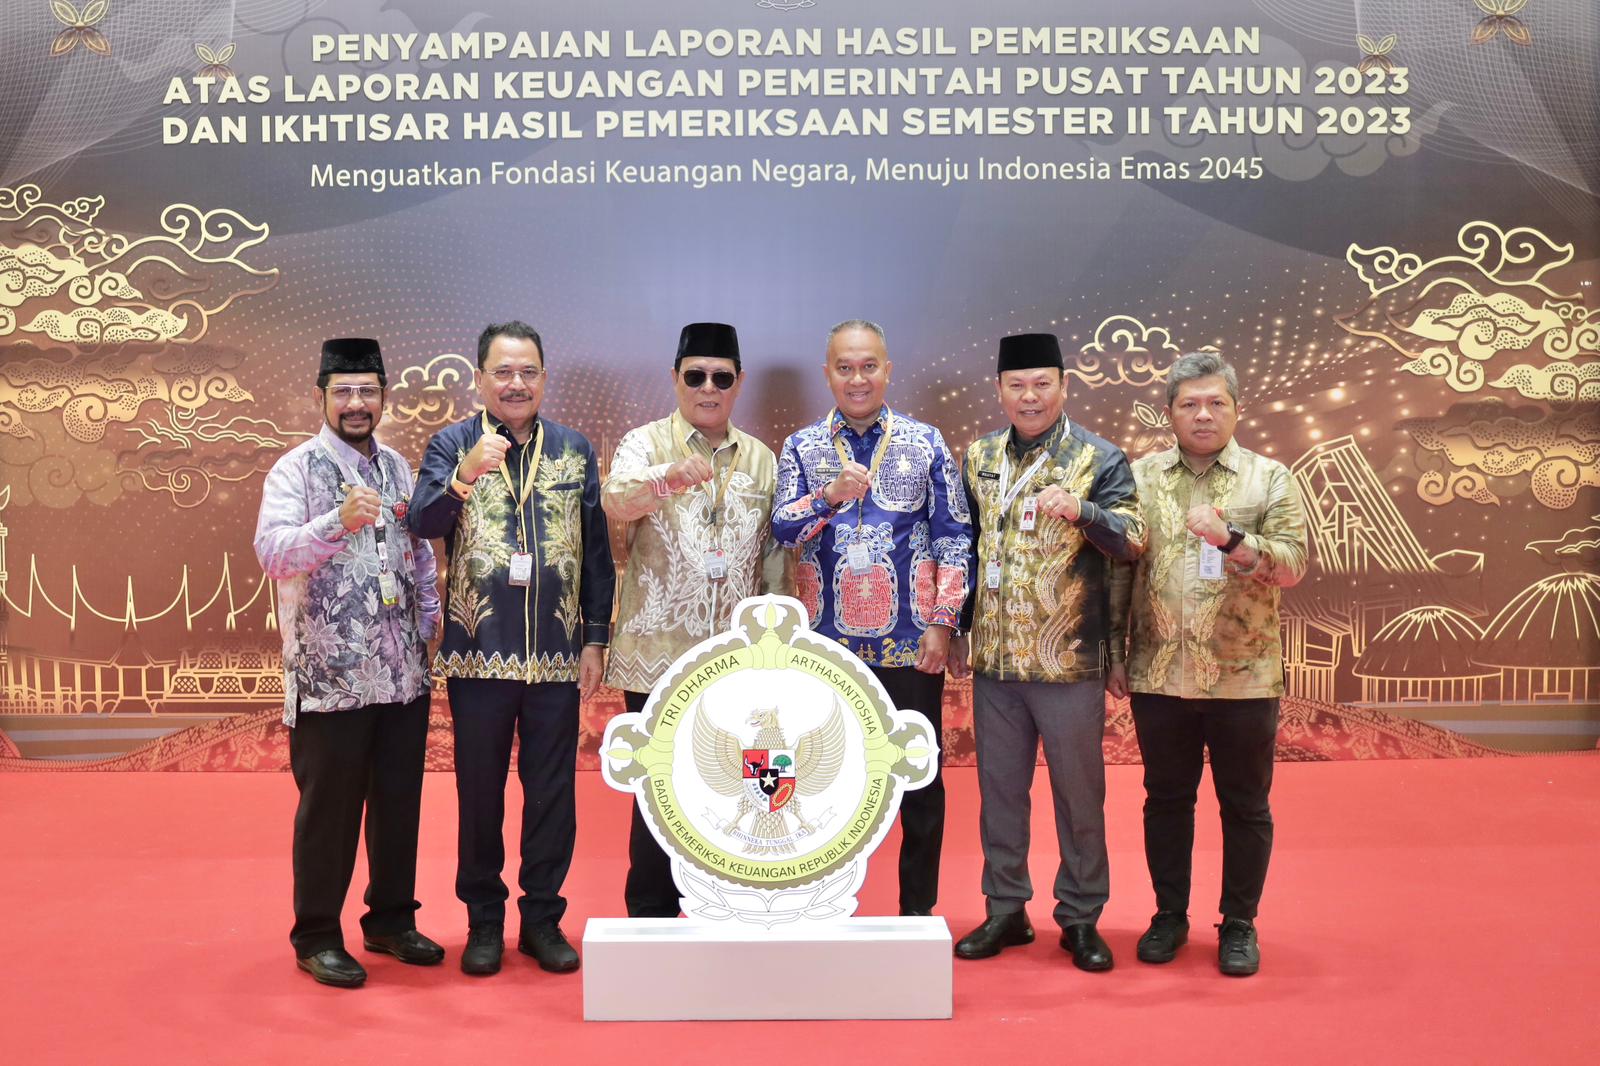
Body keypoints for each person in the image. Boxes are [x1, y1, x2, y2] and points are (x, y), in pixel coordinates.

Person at [408, 322, 615, 976]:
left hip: (556, 653)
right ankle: (484, 921)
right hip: (479, 651)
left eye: (528, 372)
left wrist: (596, 637)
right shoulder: (452, 444)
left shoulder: (574, 450)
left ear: (544, 379)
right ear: (480, 379)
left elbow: (597, 552)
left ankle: (543, 920)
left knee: (553, 792)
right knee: (480, 793)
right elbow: (421, 522)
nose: (516, 384)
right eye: (503, 372)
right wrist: (463, 476)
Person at [949, 332, 1146, 971]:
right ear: (999, 390)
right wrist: (957, 627)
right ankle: (1006, 908)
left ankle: (1081, 916)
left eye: (1041, 384)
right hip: (996, 661)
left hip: (1069, 662)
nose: (1029, 397)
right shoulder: (980, 456)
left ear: (1064, 386)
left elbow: (1133, 540)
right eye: (1017, 385)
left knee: (1079, 796)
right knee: (1000, 792)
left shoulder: (1099, 458)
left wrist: (1084, 510)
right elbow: (965, 547)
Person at [1107, 351, 1308, 977]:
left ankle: (1239, 923)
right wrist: (1114, 650)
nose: (1203, 414)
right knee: (1166, 799)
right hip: (1159, 671)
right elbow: (1120, 569)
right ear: (1169, 412)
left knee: (1245, 804)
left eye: (1216, 403)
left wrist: (1233, 541)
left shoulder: (1268, 478)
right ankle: (1169, 915)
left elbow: (1294, 565)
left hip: (1242, 674)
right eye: (1189, 404)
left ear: (1236, 410)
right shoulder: (1140, 477)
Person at [254, 337, 445, 988]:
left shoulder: (397, 467)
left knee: (398, 807)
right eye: (344, 392)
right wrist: (335, 521)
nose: (357, 403)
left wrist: (427, 617)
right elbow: (273, 553)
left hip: (403, 675)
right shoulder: (296, 470)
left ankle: (390, 921)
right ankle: (316, 936)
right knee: (329, 813)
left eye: (368, 391)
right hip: (330, 679)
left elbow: (420, 550)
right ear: (322, 397)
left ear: (384, 397)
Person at [771, 319, 971, 916]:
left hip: (911, 645)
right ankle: (825, 909)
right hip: (825, 649)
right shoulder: (802, 447)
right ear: (827, 373)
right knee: (821, 783)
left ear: (887, 370)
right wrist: (827, 495)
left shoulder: (926, 442)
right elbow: (782, 529)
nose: (857, 379)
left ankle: (916, 915)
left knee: (919, 780)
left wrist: (943, 622)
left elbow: (954, 536)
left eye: (868, 367)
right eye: (844, 368)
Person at [602, 321, 792, 917]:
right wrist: (667, 478)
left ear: (739, 382)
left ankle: (726, 908)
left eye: (721, 378)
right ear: (676, 377)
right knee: (657, 791)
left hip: (734, 659)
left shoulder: (761, 458)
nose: (708, 388)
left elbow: (774, 559)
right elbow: (615, 500)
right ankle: (651, 915)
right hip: (656, 655)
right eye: (696, 376)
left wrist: (777, 649)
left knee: (732, 791)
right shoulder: (644, 443)